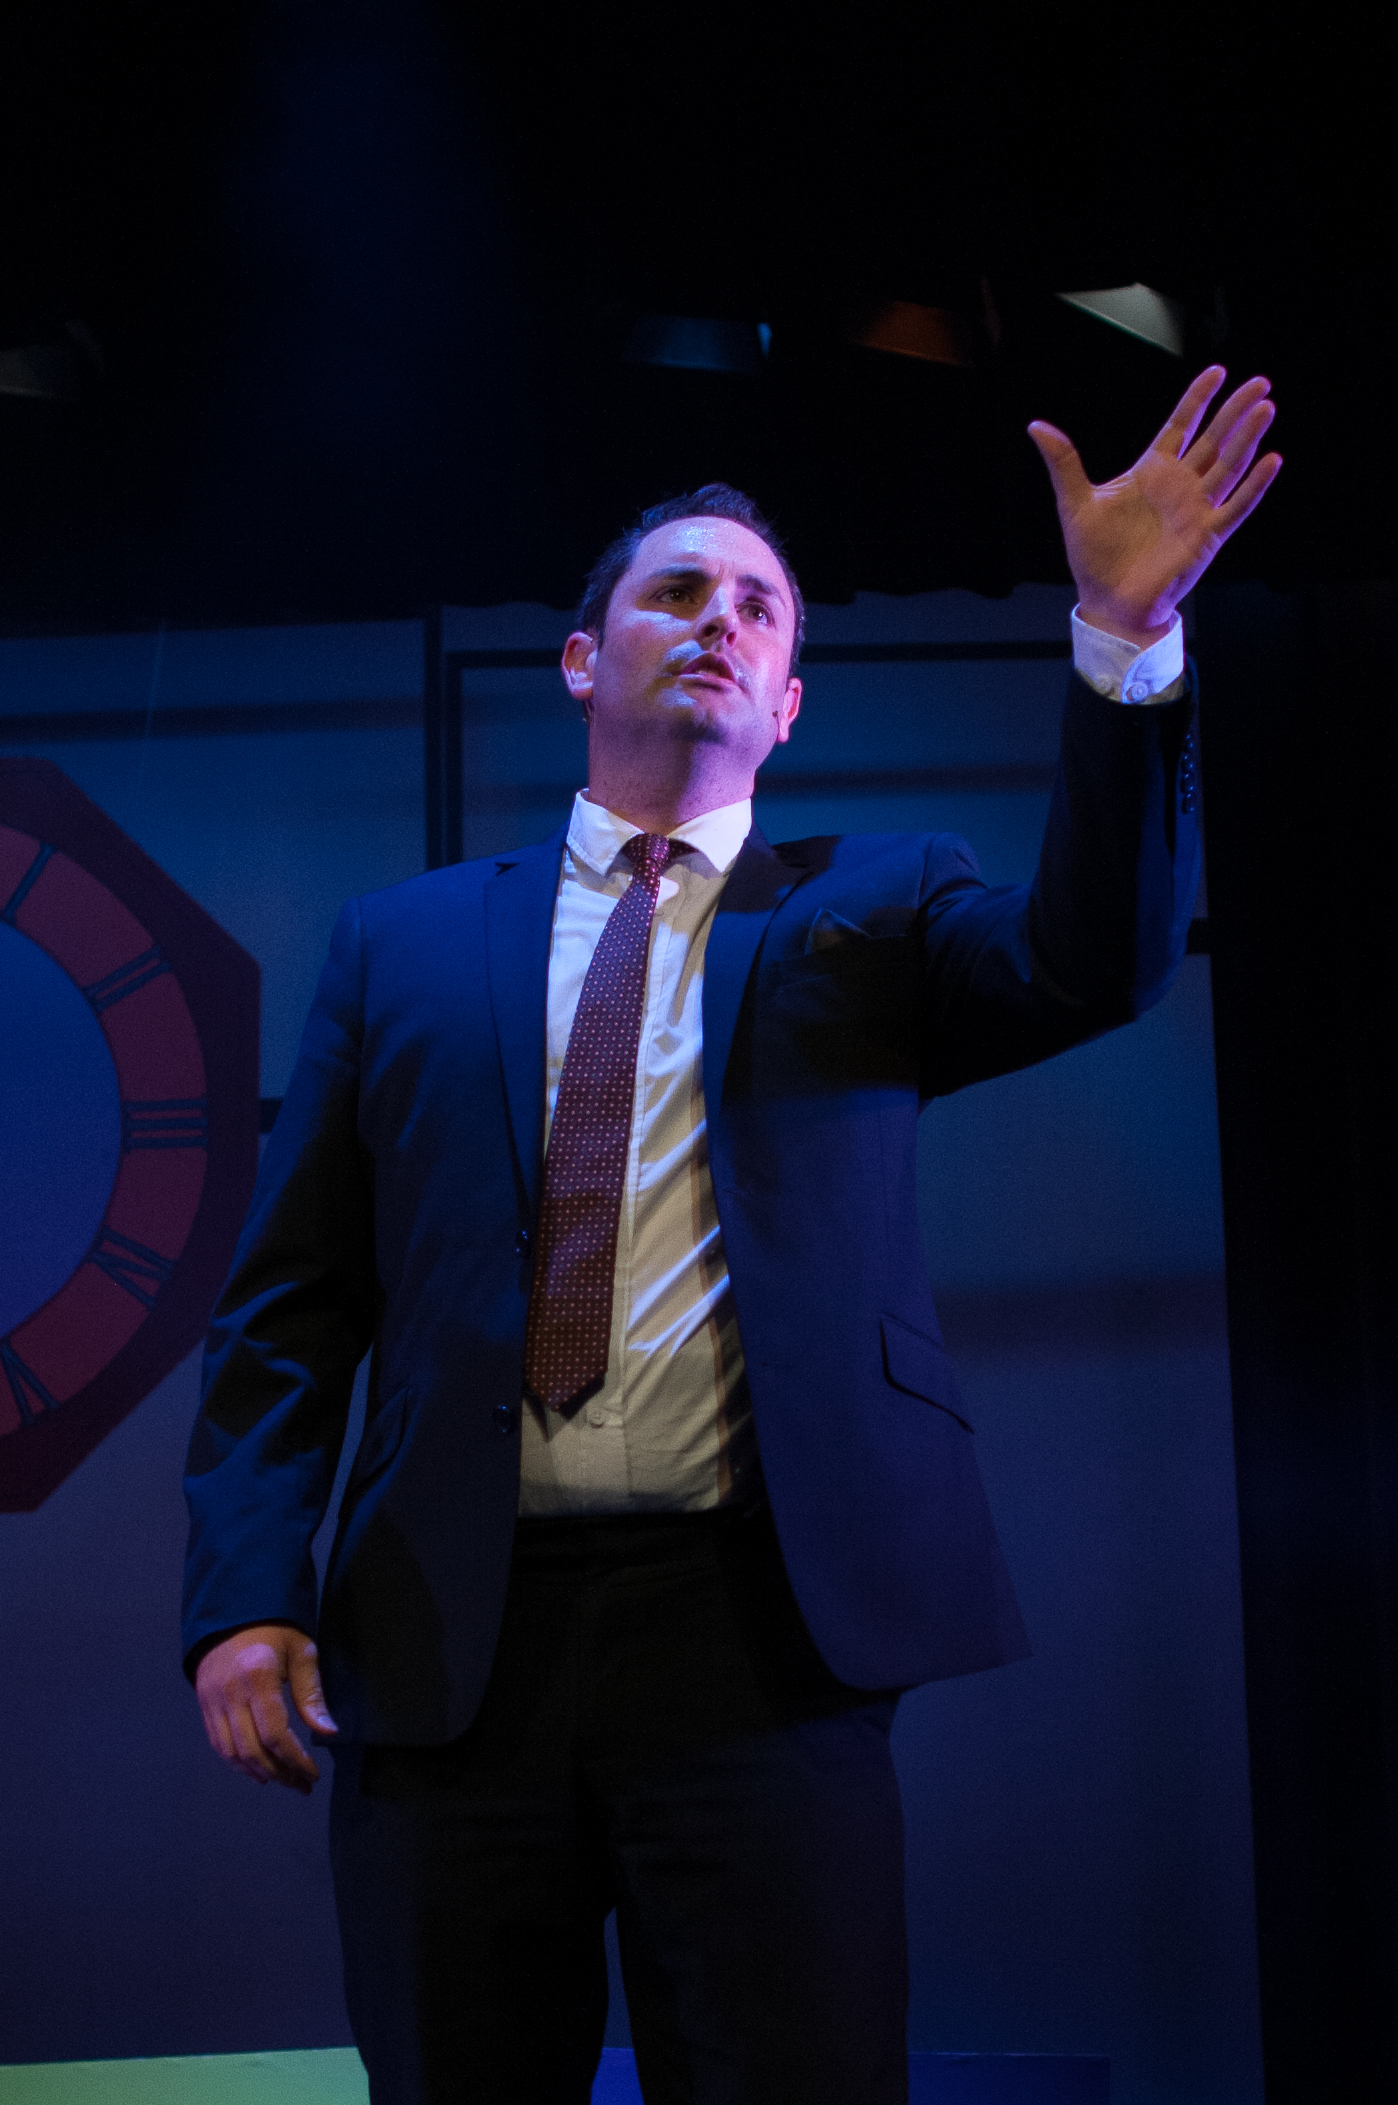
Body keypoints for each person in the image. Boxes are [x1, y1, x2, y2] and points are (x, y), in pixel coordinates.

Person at [183, 368, 1280, 2105]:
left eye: (757, 607)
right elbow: (290, 1305)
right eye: (676, 590)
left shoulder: (880, 902)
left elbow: (1097, 958)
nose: (718, 619)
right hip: (449, 1636)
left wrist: (1123, 638)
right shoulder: (401, 943)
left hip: (760, 1637)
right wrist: (245, 1594)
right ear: (581, 658)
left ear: (787, 704)